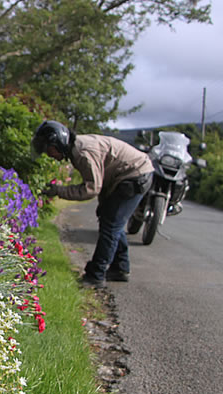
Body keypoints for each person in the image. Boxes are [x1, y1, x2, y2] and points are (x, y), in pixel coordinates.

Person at [31, 120, 154, 288]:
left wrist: (58, 190)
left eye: (48, 148)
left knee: (111, 225)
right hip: (128, 175)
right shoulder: (76, 148)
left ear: (57, 142)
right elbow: (102, 179)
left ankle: (96, 275)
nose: (48, 153)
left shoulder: (82, 153)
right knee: (110, 220)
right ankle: (120, 268)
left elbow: (91, 189)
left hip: (135, 175)